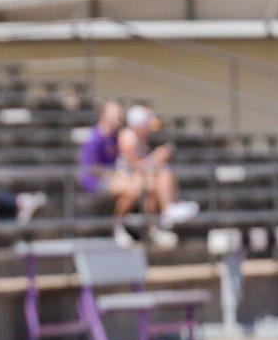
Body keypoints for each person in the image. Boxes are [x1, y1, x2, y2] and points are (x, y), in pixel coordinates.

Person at [117, 104, 198, 248]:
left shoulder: (142, 138)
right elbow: (133, 165)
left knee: (161, 178)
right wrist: (155, 158)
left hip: (140, 176)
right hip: (124, 177)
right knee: (154, 180)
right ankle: (119, 227)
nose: (149, 128)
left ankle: (159, 221)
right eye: (146, 124)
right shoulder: (127, 136)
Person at [79, 100, 144, 246]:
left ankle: (144, 228)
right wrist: (116, 175)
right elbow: (93, 169)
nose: (119, 119)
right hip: (94, 182)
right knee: (131, 190)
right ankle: (116, 227)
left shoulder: (114, 138)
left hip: (113, 179)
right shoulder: (94, 138)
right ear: (104, 116)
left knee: (139, 185)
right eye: (115, 116)